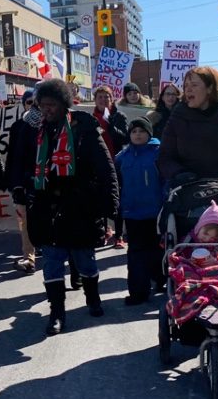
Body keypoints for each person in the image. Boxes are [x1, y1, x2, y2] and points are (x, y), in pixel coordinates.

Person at [17, 79, 118, 336]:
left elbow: (105, 166)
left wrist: (110, 202)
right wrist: (19, 186)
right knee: (51, 260)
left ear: (64, 104)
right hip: (46, 204)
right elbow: (20, 159)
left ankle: (93, 297)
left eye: (51, 105)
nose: (47, 110)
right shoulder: (33, 128)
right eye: (43, 105)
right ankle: (56, 311)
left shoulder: (83, 127)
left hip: (79, 204)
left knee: (84, 259)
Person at [114, 117, 164, 305]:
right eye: (134, 131)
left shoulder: (158, 153)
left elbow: (166, 181)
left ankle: (160, 280)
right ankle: (138, 293)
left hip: (155, 212)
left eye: (141, 131)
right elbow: (116, 180)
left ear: (149, 133)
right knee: (135, 254)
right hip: (132, 213)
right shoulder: (123, 156)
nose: (137, 134)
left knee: (156, 251)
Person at [5, 89, 41, 273]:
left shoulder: (61, 121)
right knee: (26, 219)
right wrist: (15, 183)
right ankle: (29, 258)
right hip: (29, 180)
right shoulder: (22, 126)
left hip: (56, 179)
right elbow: (15, 156)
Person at [91, 86, 128, 248]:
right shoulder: (91, 118)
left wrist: (111, 125)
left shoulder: (118, 116)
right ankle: (106, 229)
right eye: (100, 97)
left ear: (111, 99)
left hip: (117, 163)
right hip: (97, 163)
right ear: (95, 100)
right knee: (99, 198)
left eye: (107, 97)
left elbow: (124, 138)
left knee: (117, 198)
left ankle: (119, 235)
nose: (103, 100)